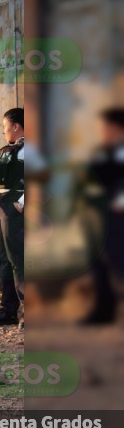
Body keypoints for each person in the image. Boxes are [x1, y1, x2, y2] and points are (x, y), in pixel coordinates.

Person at [0, 108, 46, 327]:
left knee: (18, 261)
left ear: (16, 126)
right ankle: (8, 310)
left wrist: (22, 204)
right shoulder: (7, 150)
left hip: (15, 211)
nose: (3, 132)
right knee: (3, 261)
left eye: (4, 127)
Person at [78, 108, 124, 325]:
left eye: (106, 127)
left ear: (117, 128)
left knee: (118, 260)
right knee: (97, 262)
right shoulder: (102, 152)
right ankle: (104, 310)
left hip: (117, 215)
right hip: (98, 214)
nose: (103, 131)